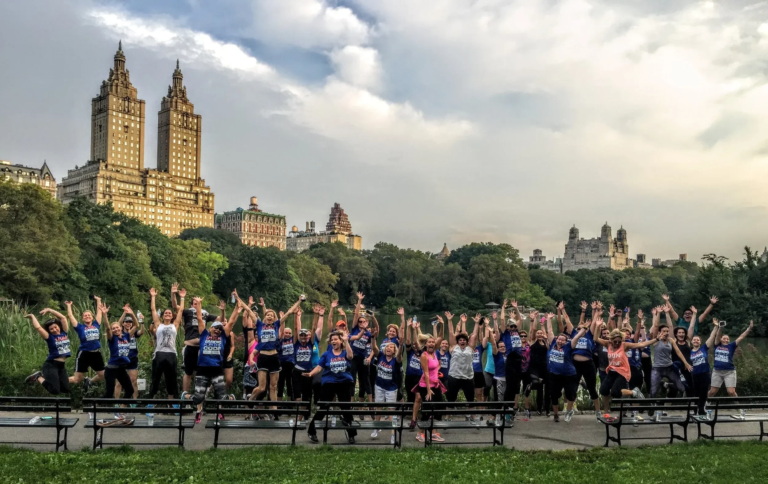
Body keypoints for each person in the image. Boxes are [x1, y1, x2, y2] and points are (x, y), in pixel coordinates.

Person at [182, 297, 240, 423]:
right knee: (198, 398)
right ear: (210, 328)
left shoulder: (223, 337)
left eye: (219, 329)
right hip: (202, 369)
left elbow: (230, 323)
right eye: (215, 328)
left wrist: (236, 309)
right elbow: (199, 319)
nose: (217, 330)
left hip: (217, 370)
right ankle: (186, 396)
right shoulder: (203, 335)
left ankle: (229, 399)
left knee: (222, 397)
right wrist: (199, 304)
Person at [303, 330, 357, 444]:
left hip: (344, 382)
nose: (333, 341)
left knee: (346, 409)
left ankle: (351, 434)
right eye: (332, 340)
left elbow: (351, 356)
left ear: (341, 341)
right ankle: (311, 431)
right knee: (323, 408)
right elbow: (319, 367)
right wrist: (311, 374)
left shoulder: (345, 352)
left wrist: (347, 341)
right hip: (329, 383)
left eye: (336, 339)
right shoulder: (326, 354)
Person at [244, 293, 301, 402]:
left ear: (274, 318)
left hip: (274, 357)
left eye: (272, 315)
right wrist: (238, 299)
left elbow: (289, 313)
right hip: (263, 357)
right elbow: (249, 311)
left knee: (273, 387)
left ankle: (274, 411)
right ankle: (251, 398)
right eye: (267, 315)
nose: (269, 316)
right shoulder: (260, 325)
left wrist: (299, 301)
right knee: (261, 387)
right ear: (265, 317)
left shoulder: (276, 325)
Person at [593, 321, 656, 413]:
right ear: (611, 340)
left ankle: (634, 392)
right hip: (612, 371)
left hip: (623, 372)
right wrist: (598, 326)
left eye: (619, 341)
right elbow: (595, 338)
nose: (617, 343)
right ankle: (606, 411)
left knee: (615, 392)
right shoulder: (608, 344)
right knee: (603, 390)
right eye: (615, 341)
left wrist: (657, 339)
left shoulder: (624, 345)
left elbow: (641, 344)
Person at [175, 283, 222, 395]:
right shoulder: (187, 312)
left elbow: (220, 319)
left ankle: (200, 396)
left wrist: (222, 310)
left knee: (201, 373)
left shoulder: (204, 313)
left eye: (199, 303)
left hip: (202, 348)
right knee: (188, 372)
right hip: (190, 346)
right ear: (191, 305)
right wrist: (175, 295)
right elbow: (176, 307)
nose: (197, 305)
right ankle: (185, 395)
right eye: (195, 303)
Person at [545, 313, 588, 423]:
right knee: (554, 395)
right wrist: (549, 319)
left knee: (570, 394)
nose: (560, 341)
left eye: (562, 340)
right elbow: (549, 331)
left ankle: (568, 412)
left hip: (569, 375)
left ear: (565, 341)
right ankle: (555, 414)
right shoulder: (553, 343)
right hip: (555, 375)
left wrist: (585, 328)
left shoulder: (569, 346)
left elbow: (577, 337)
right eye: (559, 339)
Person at [561, 301, 601, 418]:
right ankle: (569, 411)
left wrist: (596, 310)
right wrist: (563, 309)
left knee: (592, 388)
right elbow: (567, 320)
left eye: (583, 328)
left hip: (588, 364)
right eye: (579, 328)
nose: (581, 329)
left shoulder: (589, 335)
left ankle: (598, 412)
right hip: (575, 365)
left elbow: (594, 322)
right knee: (572, 388)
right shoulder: (574, 334)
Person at [147, 287, 183, 399]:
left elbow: (180, 310)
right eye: (165, 313)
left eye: (169, 313)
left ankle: (171, 403)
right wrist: (153, 296)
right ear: (163, 316)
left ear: (172, 316)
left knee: (171, 379)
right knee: (155, 378)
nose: (167, 314)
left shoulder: (175, 325)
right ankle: (150, 402)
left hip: (171, 354)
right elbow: (153, 310)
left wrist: (182, 298)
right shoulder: (159, 325)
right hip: (159, 353)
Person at [24, 309, 71, 395]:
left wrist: (49, 310)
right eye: (51, 329)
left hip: (61, 366)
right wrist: (32, 317)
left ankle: (48, 379)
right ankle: (38, 377)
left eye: (55, 327)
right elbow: (38, 328)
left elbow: (63, 318)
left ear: (59, 326)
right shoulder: (49, 337)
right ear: (49, 331)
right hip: (51, 365)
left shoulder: (64, 333)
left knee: (66, 389)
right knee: (55, 390)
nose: (54, 329)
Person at [648, 305, 690, 403]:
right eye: (664, 331)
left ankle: (667, 386)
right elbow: (655, 325)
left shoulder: (671, 340)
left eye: (667, 331)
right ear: (659, 332)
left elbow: (678, 352)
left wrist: (686, 363)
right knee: (653, 389)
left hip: (669, 367)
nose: (666, 333)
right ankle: (651, 407)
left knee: (681, 387)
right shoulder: (656, 340)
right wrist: (658, 313)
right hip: (657, 368)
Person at [441, 312, 479, 413]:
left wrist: (476, 323)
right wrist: (449, 320)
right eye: (460, 340)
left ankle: (472, 417)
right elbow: (450, 333)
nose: (462, 341)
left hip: (468, 377)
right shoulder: (453, 347)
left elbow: (474, 336)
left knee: (470, 399)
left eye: (464, 340)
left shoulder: (470, 348)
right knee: (451, 399)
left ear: (467, 341)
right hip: (454, 376)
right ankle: (448, 417)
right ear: (457, 341)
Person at [411, 333, 445, 443]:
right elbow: (425, 373)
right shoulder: (424, 356)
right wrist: (428, 389)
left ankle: (433, 433)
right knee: (427, 409)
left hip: (436, 384)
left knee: (439, 408)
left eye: (432, 342)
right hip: (425, 386)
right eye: (429, 342)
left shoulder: (435, 353)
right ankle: (420, 433)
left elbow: (441, 336)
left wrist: (442, 324)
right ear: (426, 344)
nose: (431, 343)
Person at [66, 297, 105, 391]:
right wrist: (68, 306)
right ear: (82, 318)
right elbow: (70, 316)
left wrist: (98, 300)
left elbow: (99, 312)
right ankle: (57, 381)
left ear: (92, 317)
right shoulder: (80, 327)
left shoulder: (96, 324)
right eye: (85, 316)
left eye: (89, 315)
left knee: (103, 375)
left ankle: (89, 381)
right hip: (84, 354)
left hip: (96, 353)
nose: (87, 316)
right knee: (77, 380)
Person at [709, 320, 753, 397]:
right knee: (712, 391)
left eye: (727, 339)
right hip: (717, 371)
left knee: (731, 392)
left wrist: (749, 329)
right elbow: (718, 336)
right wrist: (721, 327)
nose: (726, 340)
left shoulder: (731, 346)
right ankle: (704, 405)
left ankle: (739, 408)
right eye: (724, 338)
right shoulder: (717, 344)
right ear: (721, 339)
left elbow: (741, 337)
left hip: (729, 371)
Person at [370, 338, 402, 444]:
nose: (389, 348)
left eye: (391, 347)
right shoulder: (380, 356)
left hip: (391, 388)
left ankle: (393, 434)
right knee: (378, 407)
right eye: (387, 346)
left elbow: (399, 357)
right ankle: (376, 428)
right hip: (379, 385)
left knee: (390, 410)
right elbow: (374, 347)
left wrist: (401, 345)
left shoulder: (395, 360)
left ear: (394, 351)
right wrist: (373, 338)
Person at [293, 304, 324, 413]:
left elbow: (315, 327)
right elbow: (297, 329)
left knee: (310, 390)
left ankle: (312, 408)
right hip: (299, 370)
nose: (303, 337)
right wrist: (297, 316)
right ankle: (301, 413)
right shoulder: (296, 343)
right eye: (301, 335)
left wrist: (316, 314)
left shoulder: (311, 343)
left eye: (306, 335)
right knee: (299, 392)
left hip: (311, 369)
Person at [101, 303, 135, 401]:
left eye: (117, 327)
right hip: (111, 369)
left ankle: (121, 410)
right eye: (114, 329)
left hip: (121, 369)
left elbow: (136, 325)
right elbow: (108, 327)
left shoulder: (126, 336)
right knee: (109, 394)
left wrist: (129, 313)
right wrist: (104, 315)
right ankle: (93, 407)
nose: (116, 329)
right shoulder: (112, 339)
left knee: (130, 390)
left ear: (121, 328)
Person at [498, 300, 524, 416]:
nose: (513, 328)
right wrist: (503, 307)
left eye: (514, 326)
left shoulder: (517, 331)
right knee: (509, 386)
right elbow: (502, 320)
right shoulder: (506, 333)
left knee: (516, 386)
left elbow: (520, 320)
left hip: (518, 360)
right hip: (510, 359)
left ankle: (512, 408)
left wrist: (516, 308)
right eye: (511, 326)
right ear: (508, 327)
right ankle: (506, 407)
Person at [690, 319, 720, 415]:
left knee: (703, 393)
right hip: (694, 375)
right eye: (694, 340)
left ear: (700, 341)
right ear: (691, 342)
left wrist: (715, 327)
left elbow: (711, 337)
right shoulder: (688, 352)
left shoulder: (704, 348)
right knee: (695, 393)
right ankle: (695, 410)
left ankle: (702, 409)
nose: (696, 341)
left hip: (705, 374)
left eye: (697, 340)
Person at [348, 292, 373, 406]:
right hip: (353, 358)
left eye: (363, 321)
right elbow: (356, 314)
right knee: (352, 380)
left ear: (366, 322)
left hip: (363, 358)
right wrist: (359, 301)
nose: (361, 323)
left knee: (366, 381)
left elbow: (372, 347)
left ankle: (371, 406)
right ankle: (351, 405)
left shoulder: (368, 333)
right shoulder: (354, 329)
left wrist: (369, 357)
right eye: (360, 321)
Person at [114, 304, 143, 399]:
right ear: (123, 323)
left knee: (134, 381)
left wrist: (139, 320)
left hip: (133, 358)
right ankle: (116, 403)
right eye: (126, 322)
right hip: (122, 358)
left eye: (130, 322)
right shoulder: (120, 332)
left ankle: (134, 402)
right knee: (119, 382)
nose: (128, 323)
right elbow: (117, 324)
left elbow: (141, 332)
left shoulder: (133, 332)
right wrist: (125, 312)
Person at [669, 307, 697, 397]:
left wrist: (695, 314)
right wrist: (666, 313)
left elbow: (692, 326)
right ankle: (666, 407)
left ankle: (691, 406)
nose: (681, 334)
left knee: (691, 386)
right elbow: (670, 326)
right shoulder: (673, 341)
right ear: (676, 334)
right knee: (673, 388)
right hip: (676, 366)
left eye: (683, 332)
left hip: (687, 366)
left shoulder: (688, 341)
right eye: (679, 333)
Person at [527, 316, 549, 416]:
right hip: (534, 368)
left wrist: (543, 327)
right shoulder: (532, 341)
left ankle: (547, 409)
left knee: (546, 390)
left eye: (541, 333)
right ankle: (539, 408)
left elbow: (548, 344)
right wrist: (533, 320)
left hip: (544, 368)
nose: (539, 334)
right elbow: (532, 331)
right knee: (538, 387)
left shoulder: (545, 342)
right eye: (538, 333)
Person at [404, 319, 424, 422]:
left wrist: (416, 329)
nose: (414, 345)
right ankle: (411, 413)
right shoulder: (410, 352)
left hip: (419, 377)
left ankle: (415, 416)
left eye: (416, 345)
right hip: (409, 376)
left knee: (418, 396)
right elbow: (408, 340)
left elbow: (418, 341)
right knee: (410, 395)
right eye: (413, 345)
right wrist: (408, 327)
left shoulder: (422, 353)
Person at [487, 327, 507, 426]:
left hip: (507, 380)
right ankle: (495, 417)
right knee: (498, 400)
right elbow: (494, 344)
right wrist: (491, 333)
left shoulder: (508, 355)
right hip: (498, 379)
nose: (502, 348)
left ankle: (504, 416)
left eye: (504, 346)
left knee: (505, 399)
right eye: (501, 347)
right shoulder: (497, 355)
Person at [277, 314, 297, 400]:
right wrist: (282, 319)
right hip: (281, 364)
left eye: (289, 333)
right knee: (280, 384)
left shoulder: (293, 340)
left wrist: (297, 316)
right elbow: (280, 331)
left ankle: (290, 405)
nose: (288, 334)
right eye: (286, 333)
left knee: (290, 384)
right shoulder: (281, 340)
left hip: (291, 364)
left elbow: (297, 329)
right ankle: (278, 406)